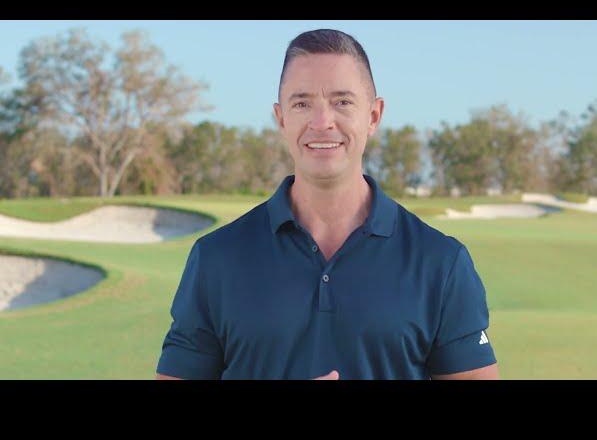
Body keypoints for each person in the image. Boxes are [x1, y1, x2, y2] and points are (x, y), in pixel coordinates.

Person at [156, 29, 499, 380]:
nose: (322, 123)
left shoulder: (441, 262)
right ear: (281, 118)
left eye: (342, 102)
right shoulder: (216, 258)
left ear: (374, 116)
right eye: (302, 103)